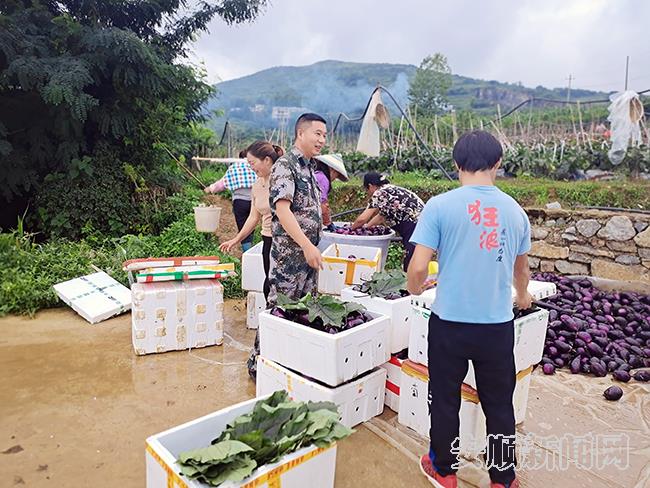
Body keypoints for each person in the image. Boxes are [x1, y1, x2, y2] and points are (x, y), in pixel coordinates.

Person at [406, 130, 533, 488]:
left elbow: (418, 268)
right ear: (497, 164)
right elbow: (521, 269)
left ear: (457, 163)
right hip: (496, 326)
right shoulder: (515, 211)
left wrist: (415, 289)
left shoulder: (440, 206)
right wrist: (522, 295)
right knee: (499, 405)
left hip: (450, 325)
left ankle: (444, 471)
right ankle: (502, 479)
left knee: (444, 398)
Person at [247, 113, 326, 379]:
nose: (321, 140)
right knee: (279, 309)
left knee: (303, 311)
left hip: (307, 258)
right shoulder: (286, 165)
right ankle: (260, 365)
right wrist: (306, 245)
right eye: (317, 133)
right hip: (289, 258)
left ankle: (289, 363)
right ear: (301, 134)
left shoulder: (310, 168)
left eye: (324, 135)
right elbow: (282, 210)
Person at [219, 141, 284, 299]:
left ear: (267, 160)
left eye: (252, 163)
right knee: (269, 284)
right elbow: (253, 217)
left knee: (283, 286)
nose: (251, 167)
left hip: (285, 242)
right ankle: (272, 317)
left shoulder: (283, 182)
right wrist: (236, 239)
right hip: (268, 241)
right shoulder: (256, 186)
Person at [351, 172, 424, 270]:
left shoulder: (380, 193)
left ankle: (412, 283)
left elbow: (362, 219)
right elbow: (381, 217)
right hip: (422, 224)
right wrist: (366, 227)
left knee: (412, 262)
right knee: (414, 258)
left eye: (366, 190)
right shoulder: (390, 189)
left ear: (370, 186)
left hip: (415, 226)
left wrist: (351, 229)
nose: (368, 193)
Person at [205, 150, 256, 252]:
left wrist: (209, 189)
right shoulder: (254, 165)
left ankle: (247, 252)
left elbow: (222, 183)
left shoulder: (234, 168)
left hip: (239, 202)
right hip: (255, 201)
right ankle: (253, 248)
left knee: (243, 227)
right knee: (252, 223)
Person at [313, 154, 349, 229]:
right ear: (332, 169)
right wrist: (328, 224)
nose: (335, 178)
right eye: (336, 175)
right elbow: (323, 204)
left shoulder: (317, 174)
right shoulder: (323, 179)